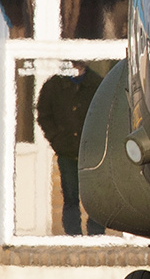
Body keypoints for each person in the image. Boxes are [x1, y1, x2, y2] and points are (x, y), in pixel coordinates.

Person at [37, 62, 104, 236]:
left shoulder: (97, 84)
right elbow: (44, 115)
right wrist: (57, 139)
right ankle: (73, 235)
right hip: (67, 152)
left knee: (95, 196)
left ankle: (96, 234)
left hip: (92, 152)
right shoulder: (54, 85)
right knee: (70, 196)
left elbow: (106, 115)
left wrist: (98, 141)